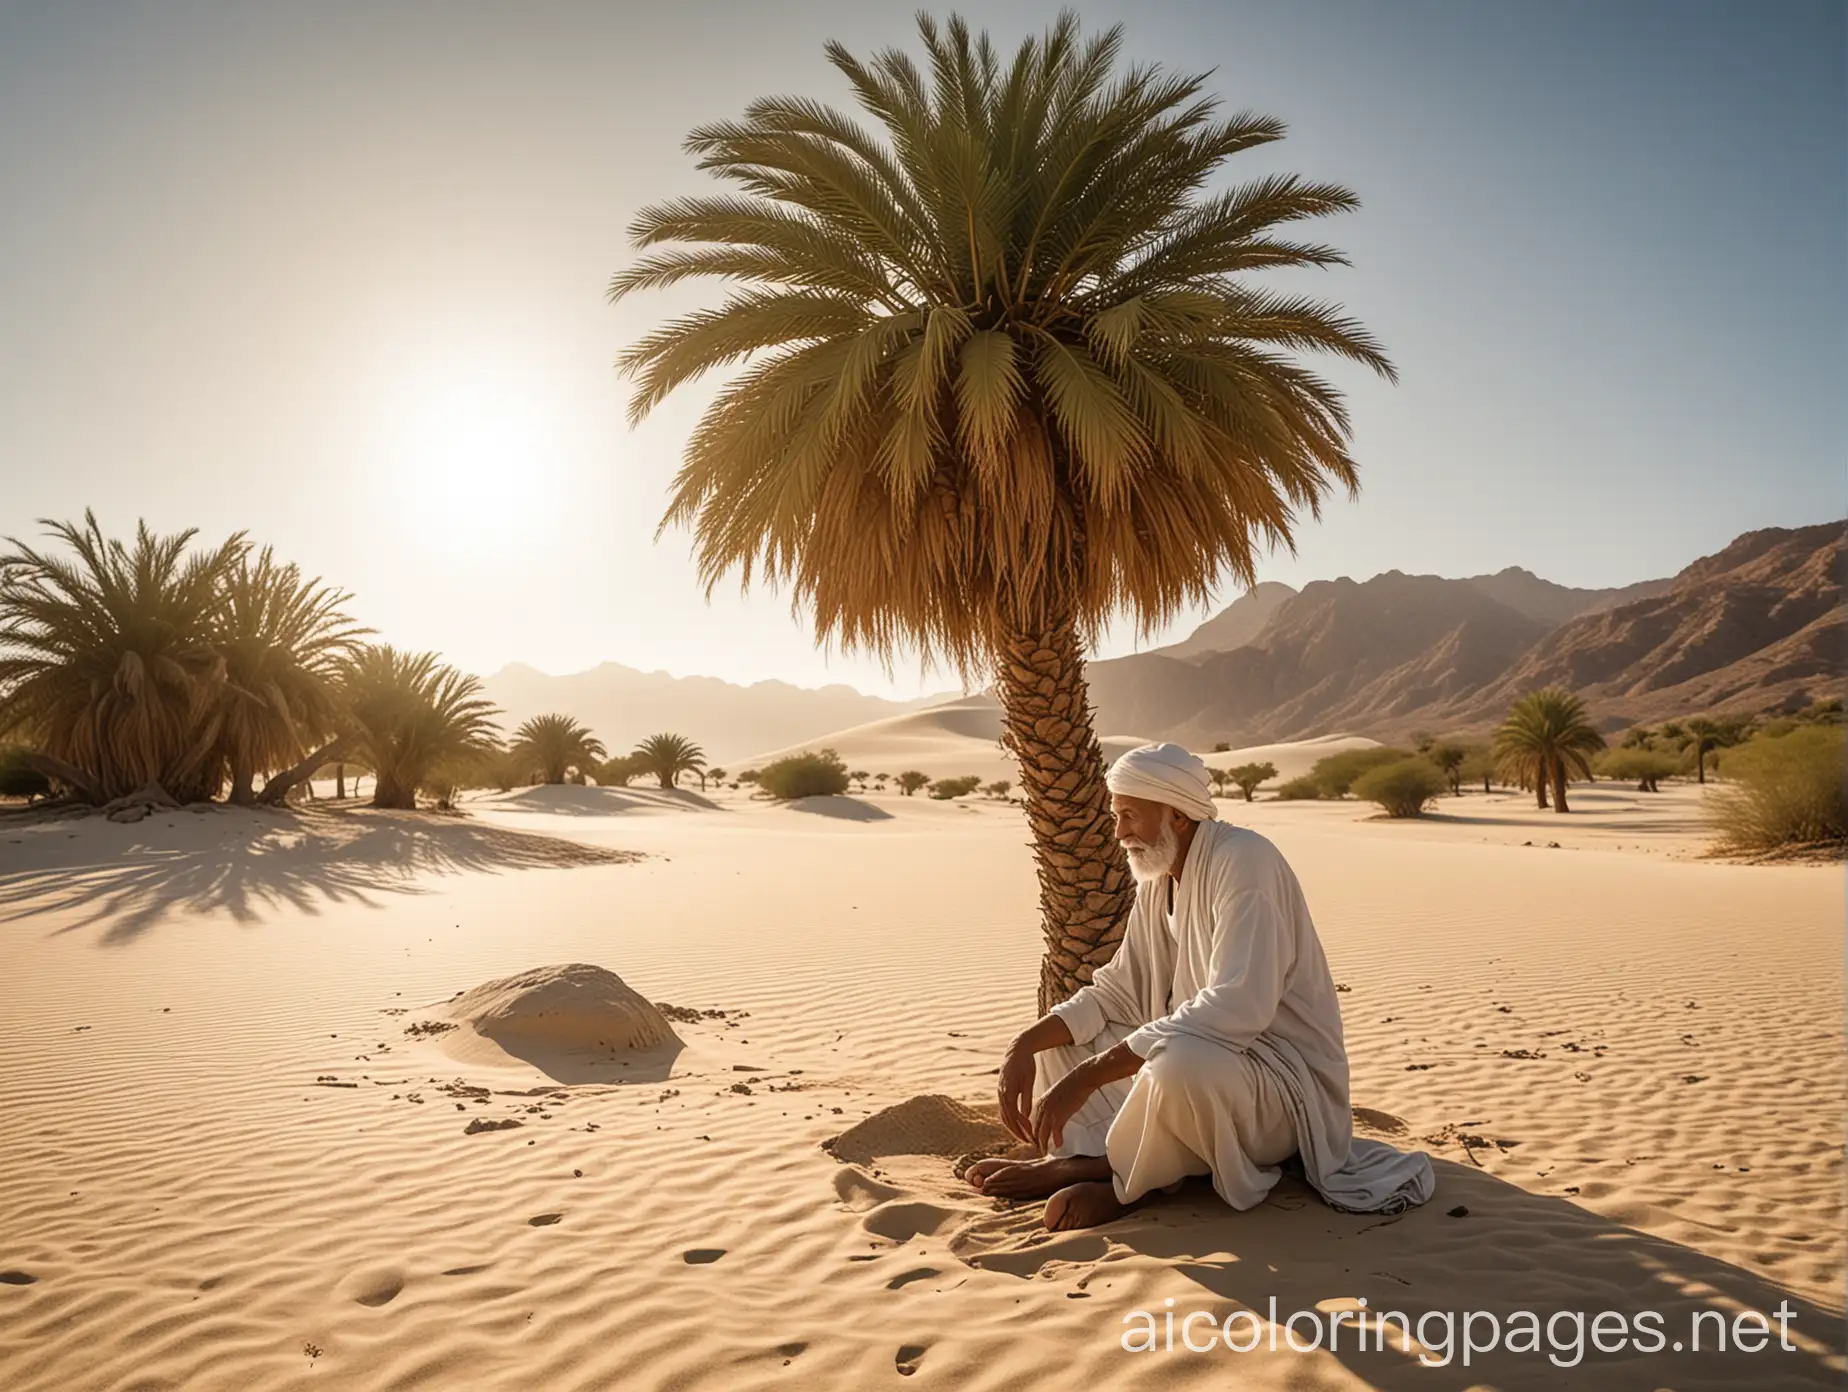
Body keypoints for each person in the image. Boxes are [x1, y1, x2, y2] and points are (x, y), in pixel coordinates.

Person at [965, 742, 1434, 1230]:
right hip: (1222, 1072)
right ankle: (1099, 1159)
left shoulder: (1245, 863)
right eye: (1116, 816)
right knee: (1063, 1044)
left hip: (1280, 1089)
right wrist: (1024, 1045)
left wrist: (1085, 1080)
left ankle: (1124, 1183)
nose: (1119, 833)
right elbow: (1117, 991)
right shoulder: (1159, 879)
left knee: (1180, 1066)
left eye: (1130, 816)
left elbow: (1235, 1008)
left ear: (1178, 815)